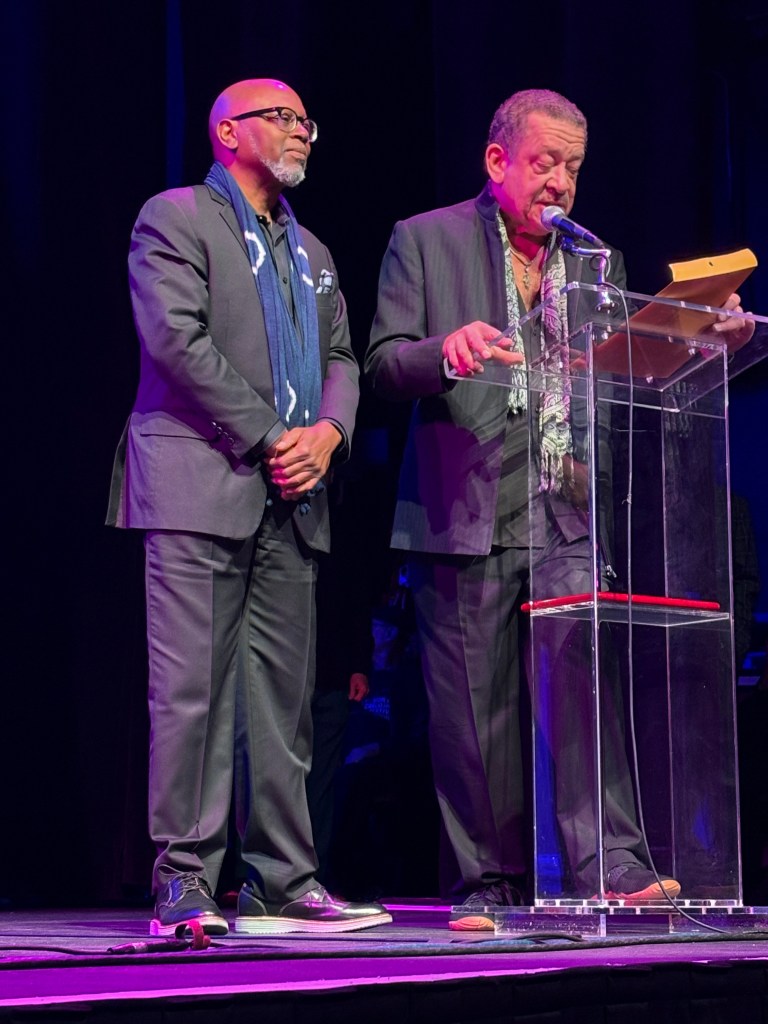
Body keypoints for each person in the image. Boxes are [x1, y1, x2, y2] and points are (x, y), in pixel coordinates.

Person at [365, 88, 753, 930]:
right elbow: (384, 363)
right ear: (496, 160)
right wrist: (446, 350)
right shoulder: (424, 240)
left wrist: (700, 337)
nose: (560, 182)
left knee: (583, 692)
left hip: (565, 502)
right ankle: (485, 883)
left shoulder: (594, 260)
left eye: (573, 167)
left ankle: (612, 865)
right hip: (463, 504)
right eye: (545, 162)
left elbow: (632, 363)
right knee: (475, 713)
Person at [107, 78, 391, 936]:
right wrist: (274, 436)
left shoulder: (313, 251)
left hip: (295, 495)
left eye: (308, 121)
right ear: (228, 132)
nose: (303, 131)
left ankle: (284, 879)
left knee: (282, 702)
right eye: (284, 118)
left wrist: (329, 434)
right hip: (201, 481)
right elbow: (176, 341)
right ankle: (184, 880)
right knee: (190, 693)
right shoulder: (176, 218)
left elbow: (342, 357)